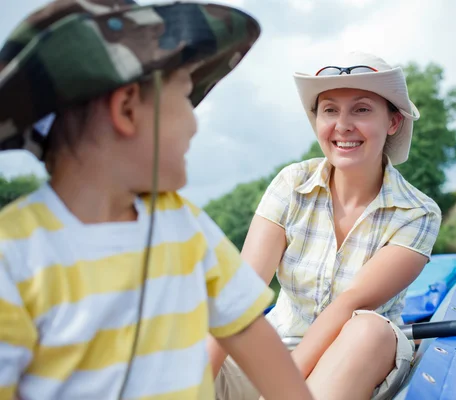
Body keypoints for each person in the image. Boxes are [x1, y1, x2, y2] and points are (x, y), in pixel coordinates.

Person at [0, 1, 314, 399]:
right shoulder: (13, 256)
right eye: (185, 98)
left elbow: (245, 326)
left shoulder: (183, 224)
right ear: (127, 108)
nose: (195, 121)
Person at [210, 52, 443, 400]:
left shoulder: (418, 213)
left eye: (361, 109)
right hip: (271, 352)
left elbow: (348, 304)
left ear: (393, 122)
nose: (343, 125)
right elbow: (242, 292)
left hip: (355, 356)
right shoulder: (292, 183)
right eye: (330, 110)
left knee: (368, 329)